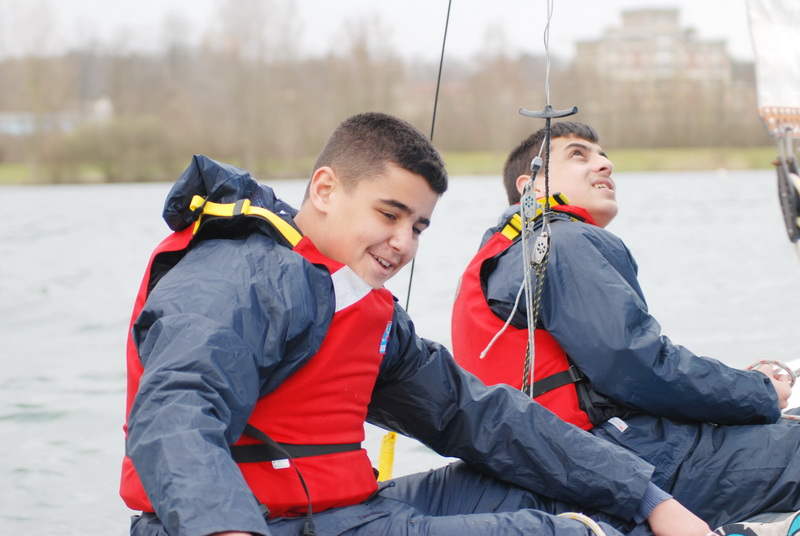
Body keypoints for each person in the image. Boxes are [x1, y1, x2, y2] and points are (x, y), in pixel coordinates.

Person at [120, 112, 714, 536]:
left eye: (419, 227)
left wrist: (648, 497)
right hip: (253, 523)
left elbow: (475, 414)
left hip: (345, 511)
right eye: (389, 214)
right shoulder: (236, 276)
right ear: (325, 189)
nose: (403, 243)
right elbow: (176, 410)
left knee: (561, 491)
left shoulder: (360, 305)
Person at [451, 120, 800, 534]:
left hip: (563, 466)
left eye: (603, 156)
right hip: (616, 463)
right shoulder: (562, 243)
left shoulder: (503, 255)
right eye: (578, 155)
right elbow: (637, 366)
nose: (605, 164)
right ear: (530, 188)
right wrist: (759, 391)